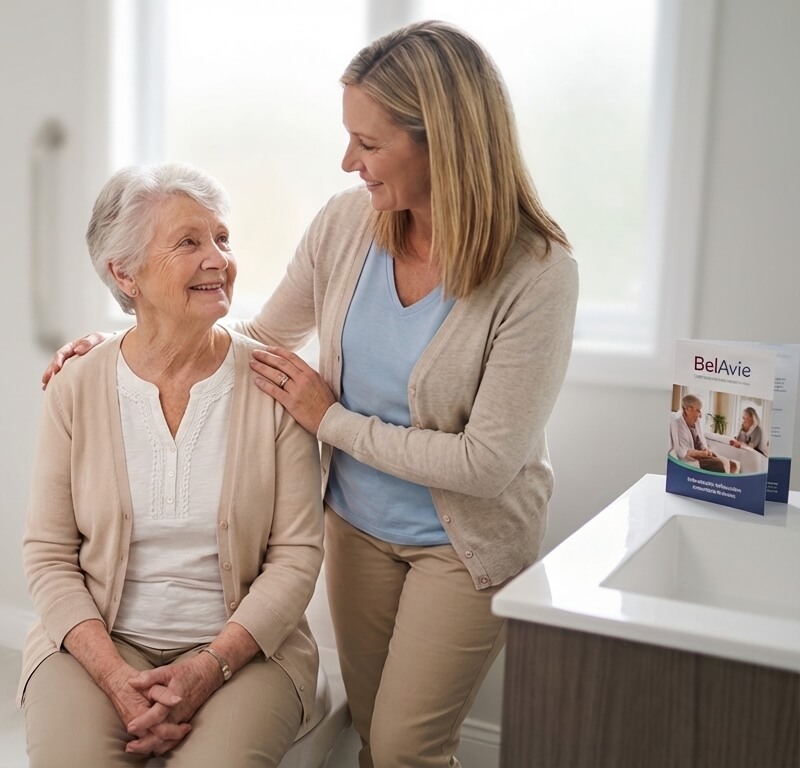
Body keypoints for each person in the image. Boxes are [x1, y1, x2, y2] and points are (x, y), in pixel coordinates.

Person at [41, 21, 579, 768]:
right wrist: (118, 347)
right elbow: (258, 335)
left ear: (440, 143)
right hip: (358, 523)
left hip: (464, 543)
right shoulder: (349, 223)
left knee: (408, 748)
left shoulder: (537, 272)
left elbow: (487, 465)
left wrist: (331, 420)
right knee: (372, 729)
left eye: (368, 143)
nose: (348, 160)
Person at [20, 162, 324, 766]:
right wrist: (114, 678)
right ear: (124, 273)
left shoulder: (273, 385)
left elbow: (296, 558)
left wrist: (209, 667)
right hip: (99, 643)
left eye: (222, 238)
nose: (218, 259)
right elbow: (49, 556)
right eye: (188, 242)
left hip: (245, 654)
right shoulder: (76, 386)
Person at [670, 394, 728, 471]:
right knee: (718, 464)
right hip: (691, 458)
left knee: (727, 462)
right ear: (688, 410)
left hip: (702, 454)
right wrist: (700, 453)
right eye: (698, 410)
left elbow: (703, 439)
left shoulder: (697, 422)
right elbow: (679, 450)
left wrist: (706, 449)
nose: (700, 415)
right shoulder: (677, 424)